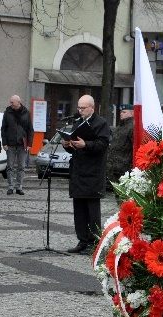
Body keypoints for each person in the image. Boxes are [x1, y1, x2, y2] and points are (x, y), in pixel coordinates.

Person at [62, 95, 110, 254]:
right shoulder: (78, 123)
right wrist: (67, 144)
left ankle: (94, 241)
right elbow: (73, 147)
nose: (80, 111)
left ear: (92, 107)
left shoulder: (101, 124)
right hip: (78, 172)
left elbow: (102, 145)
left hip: (93, 173)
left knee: (92, 210)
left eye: (83, 108)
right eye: (79, 108)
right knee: (79, 209)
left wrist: (86, 144)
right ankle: (82, 240)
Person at [1, 95, 33, 195]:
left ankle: (19, 186)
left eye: (12, 102)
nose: (11, 104)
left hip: (21, 144)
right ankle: (10, 186)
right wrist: (4, 143)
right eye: (10, 102)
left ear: (18, 102)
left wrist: (29, 144)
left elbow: (30, 129)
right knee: (10, 166)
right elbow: (3, 129)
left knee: (21, 166)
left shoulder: (26, 113)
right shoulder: (7, 112)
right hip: (10, 144)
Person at [106, 103, 134, 186]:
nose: (121, 114)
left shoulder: (132, 128)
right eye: (121, 112)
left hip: (125, 168)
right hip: (114, 167)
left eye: (124, 112)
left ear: (132, 113)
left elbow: (134, 147)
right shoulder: (119, 128)